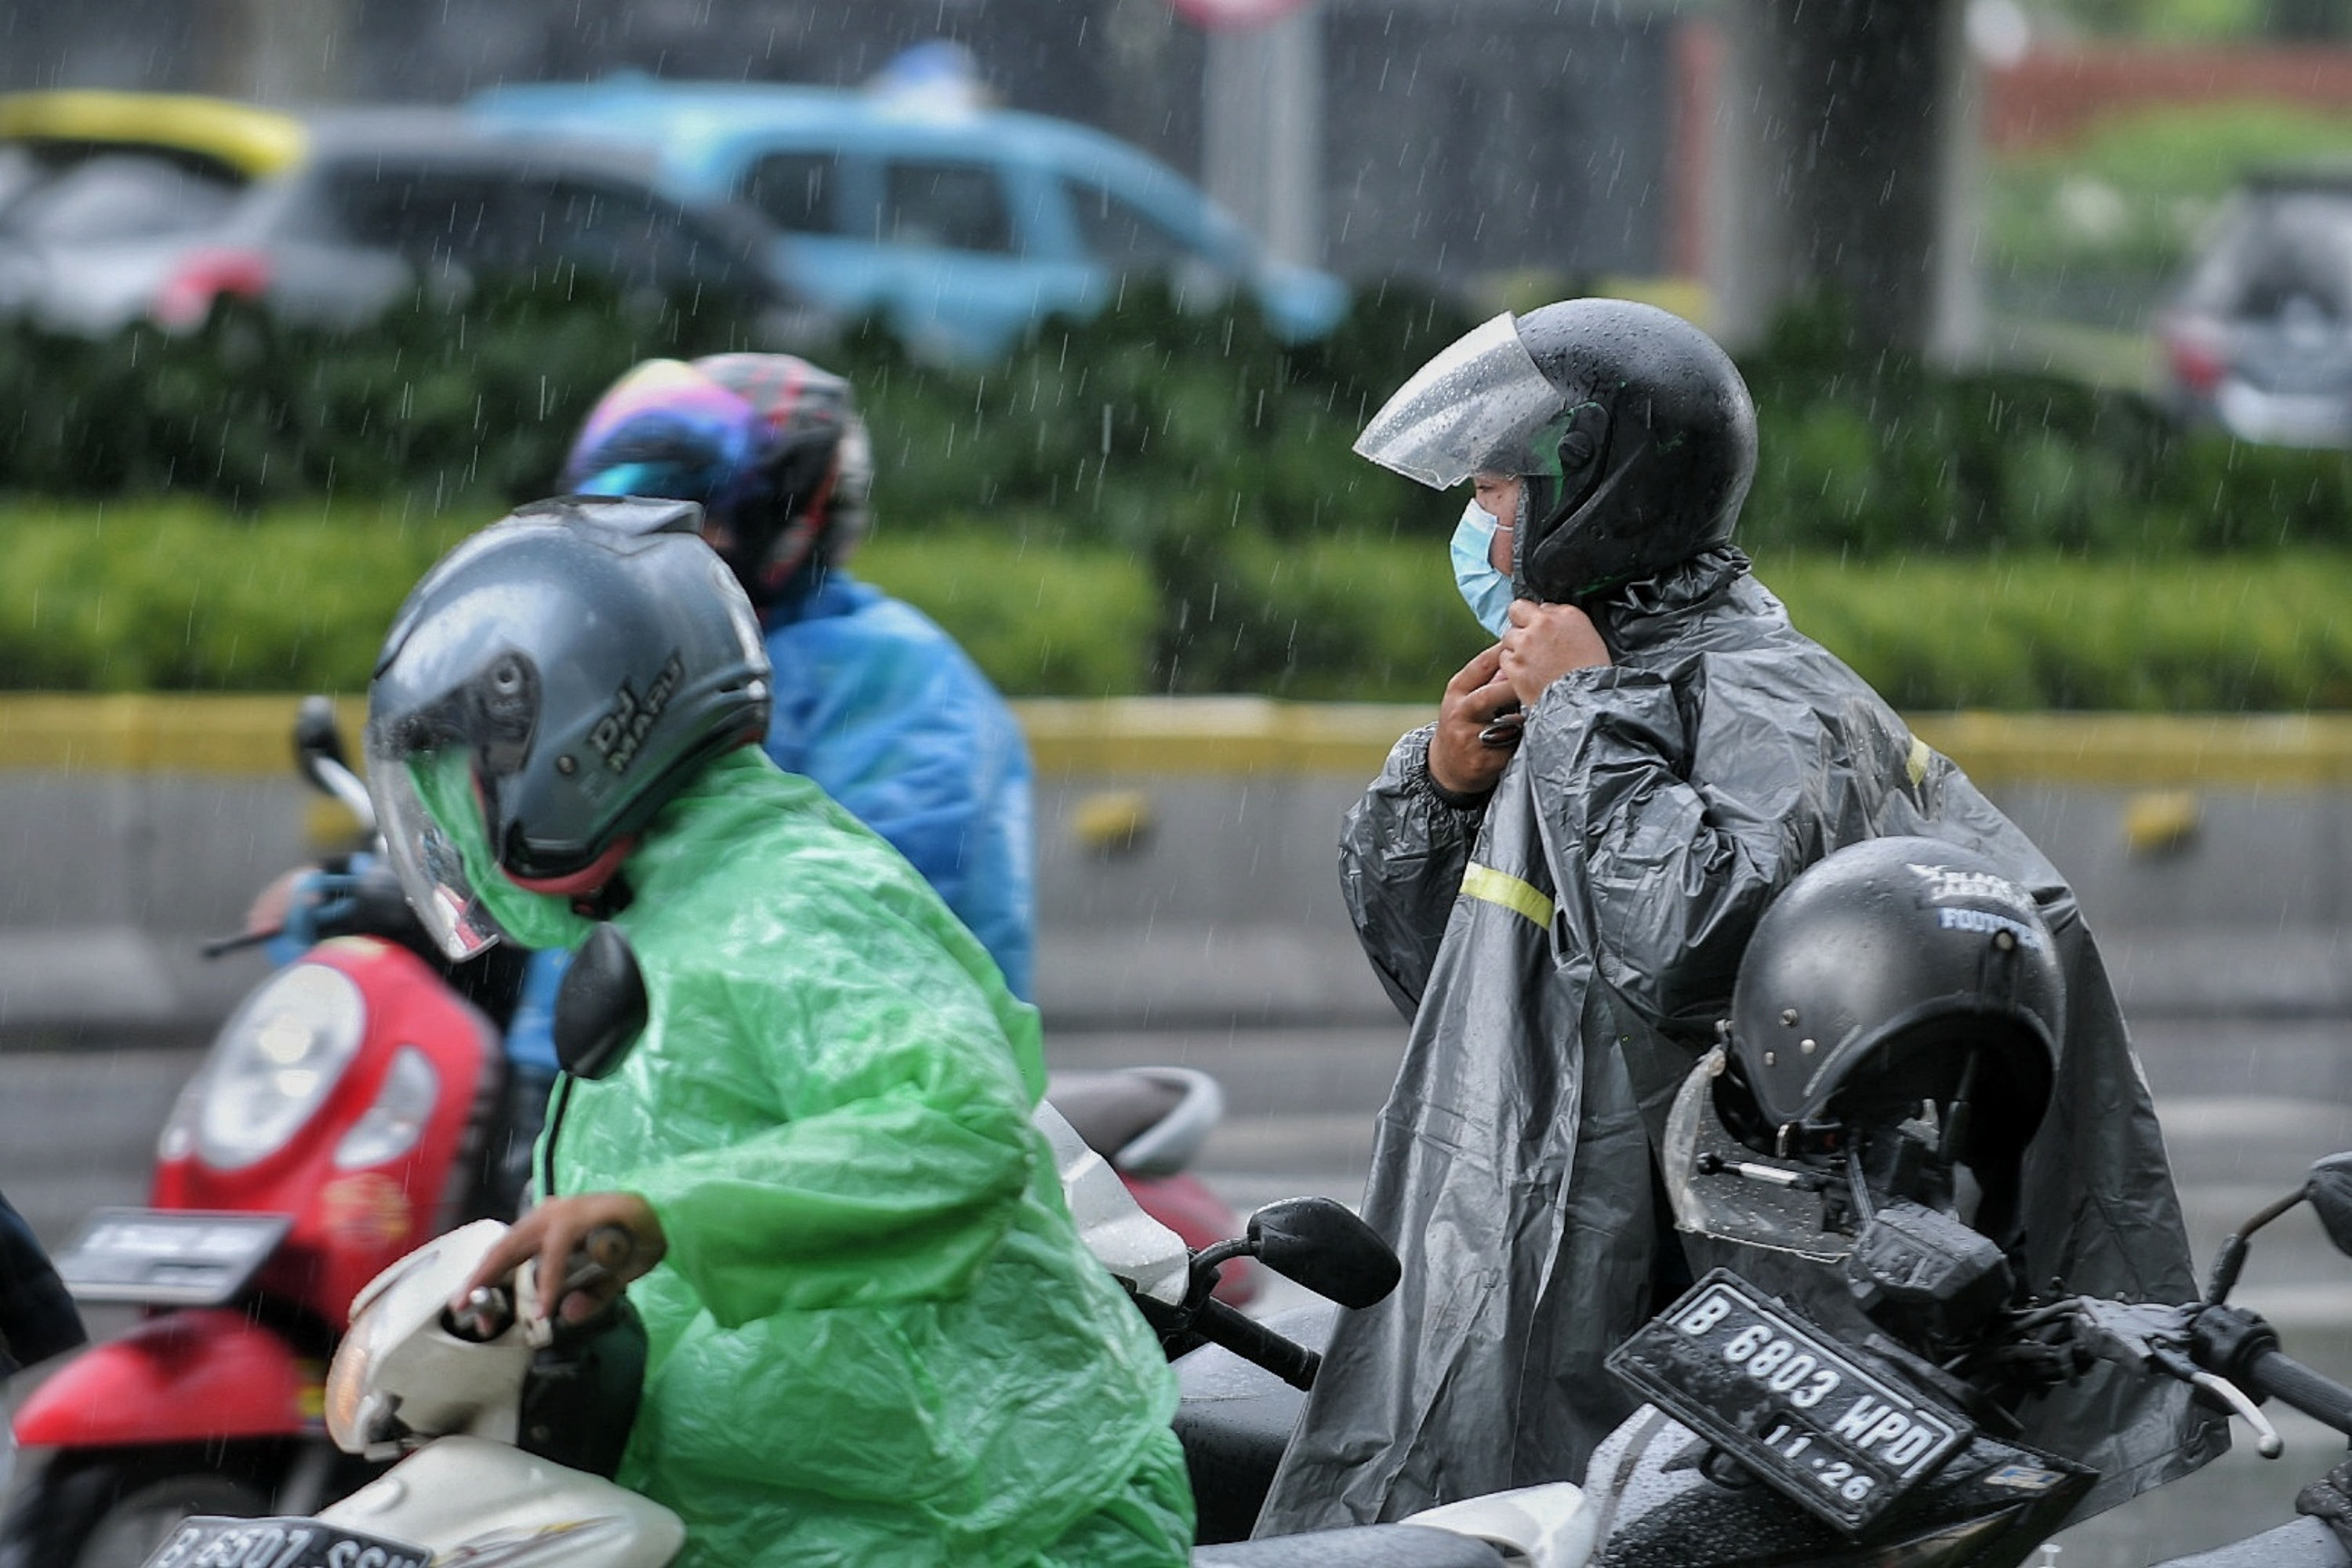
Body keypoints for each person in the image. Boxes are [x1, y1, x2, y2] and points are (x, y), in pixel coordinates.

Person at [1253, 299, 2216, 1534]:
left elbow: (1684, 949)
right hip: (1534, 1254)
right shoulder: (1595, 692)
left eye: (1497, 491)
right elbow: (1466, 987)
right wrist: (1443, 791)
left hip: (1696, 1297)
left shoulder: (1757, 702)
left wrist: (1588, 720)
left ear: (1595, 496)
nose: (1477, 524)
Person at [365, 496, 1189, 1567]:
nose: (452, 830)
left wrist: (662, 1216)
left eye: (462, 780)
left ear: (574, 746)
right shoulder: (660, 915)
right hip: (797, 1524)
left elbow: (956, 1131)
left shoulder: (790, 898)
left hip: (993, 1525)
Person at [557, 351, 1035, 996]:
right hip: (646, 1064)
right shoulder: (672, 650)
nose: (645, 548)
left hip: (864, 1073)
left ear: (782, 523)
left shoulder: (896, 676)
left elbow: (860, 925)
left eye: (696, 515)